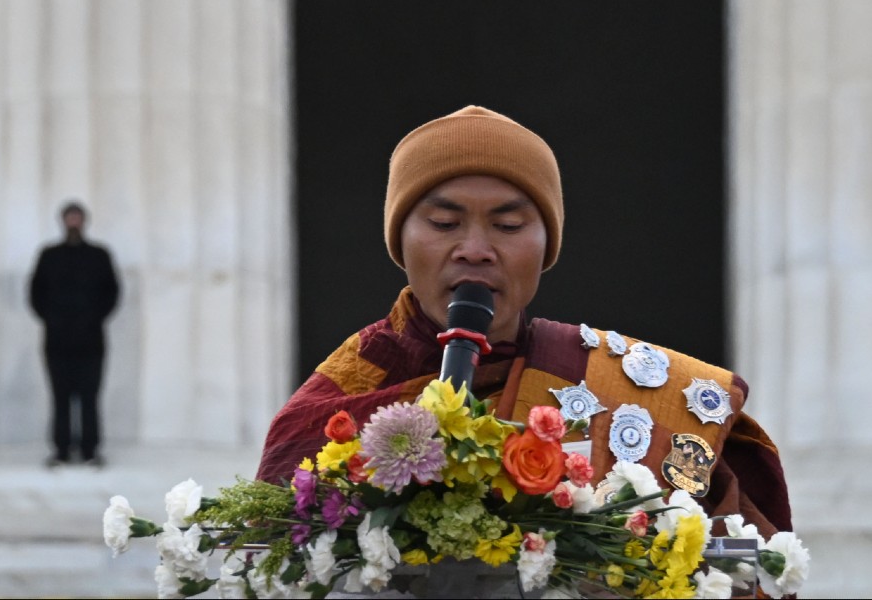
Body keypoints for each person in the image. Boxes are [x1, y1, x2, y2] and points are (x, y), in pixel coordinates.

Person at [255, 105, 791, 539]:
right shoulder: (339, 401)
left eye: (508, 224)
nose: (475, 249)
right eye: (444, 223)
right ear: (400, 242)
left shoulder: (632, 386)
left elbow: (741, 568)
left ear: (545, 247)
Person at [29, 201, 121, 468]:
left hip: (91, 339)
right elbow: (36, 293)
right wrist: (53, 320)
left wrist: (94, 319)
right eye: (69, 217)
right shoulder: (49, 255)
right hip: (57, 340)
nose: (73, 223)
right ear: (62, 221)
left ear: (84, 221)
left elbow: (112, 293)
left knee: (90, 396)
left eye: (77, 218)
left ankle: (90, 450)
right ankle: (61, 449)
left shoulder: (99, 255)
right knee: (60, 396)